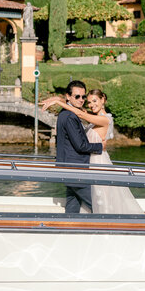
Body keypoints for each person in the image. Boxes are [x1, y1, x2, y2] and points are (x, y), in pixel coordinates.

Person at [49, 89, 143, 215]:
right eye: (89, 102)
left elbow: (81, 114)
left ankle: (110, 221)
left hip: (98, 161)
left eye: (95, 101)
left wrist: (59, 103)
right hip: (88, 161)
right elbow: (78, 108)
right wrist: (60, 99)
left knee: (98, 198)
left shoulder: (105, 119)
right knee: (78, 197)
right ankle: (72, 223)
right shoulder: (94, 117)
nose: (91, 105)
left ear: (103, 100)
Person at [40, 80, 103, 213]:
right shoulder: (69, 116)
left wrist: (58, 99)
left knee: (73, 202)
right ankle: (112, 228)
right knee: (98, 204)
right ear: (68, 97)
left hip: (69, 167)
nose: (81, 100)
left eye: (83, 96)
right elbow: (80, 145)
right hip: (75, 168)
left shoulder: (66, 113)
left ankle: (69, 229)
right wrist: (100, 147)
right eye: (77, 96)